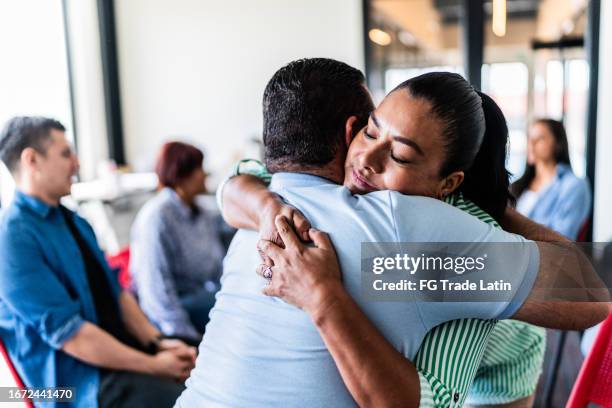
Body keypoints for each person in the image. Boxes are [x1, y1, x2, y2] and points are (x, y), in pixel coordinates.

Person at [175, 59, 609, 407]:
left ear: (450, 184)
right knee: (521, 340)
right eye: (371, 131)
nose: (367, 161)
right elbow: (592, 291)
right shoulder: (402, 235)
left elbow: (237, 182)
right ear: (352, 130)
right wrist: (494, 211)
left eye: (400, 155)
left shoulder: (267, 205)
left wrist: (259, 202)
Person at [0, 117, 196, 408]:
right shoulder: (12, 241)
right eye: (66, 154)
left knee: (204, 369)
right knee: (192, 401)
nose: (77, 164)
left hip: (119, 358)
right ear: (31, 160)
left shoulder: (76, 222)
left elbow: (117, 295)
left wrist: (157, 342)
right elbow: (73, 337)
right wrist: (155, 365)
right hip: (76, 388)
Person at [130, 142, 225, 344]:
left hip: (201, 296)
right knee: (229, 308)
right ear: (181, 174)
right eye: (199, 168)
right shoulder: (156, 217)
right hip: (172, 313)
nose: (204, 174)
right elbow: (155, 292)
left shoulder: (201, 211)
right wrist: (185, 337)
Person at [512, 119, 591, 240]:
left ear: (557, 144)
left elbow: (563, 238)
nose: (531, 143)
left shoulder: (574, 185)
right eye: (530, 138)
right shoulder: (518, 184)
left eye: (540, 138)